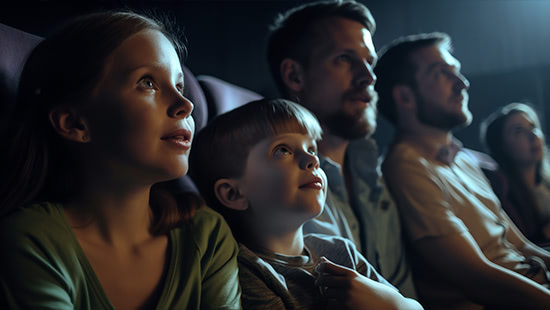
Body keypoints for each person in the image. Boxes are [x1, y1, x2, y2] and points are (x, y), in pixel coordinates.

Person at [0, 12, 241, 309]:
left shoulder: (206, 234)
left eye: (179, 86)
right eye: (147, 83)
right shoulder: (32, 241)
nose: (185, 105)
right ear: (75, 123)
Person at [189, 98, 422, 309]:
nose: (312, 160)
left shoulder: (341, 252)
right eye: (282, 150)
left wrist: (393, 303)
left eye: (311, 149)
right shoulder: (248, 272)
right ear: (233, 194)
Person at [374, 31, 550, 309]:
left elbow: (521, 244)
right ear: (405, 97)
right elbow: (478, 279)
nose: (462, 83)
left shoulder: (462, 158)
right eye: (442, 74)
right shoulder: (406, 167)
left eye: (456, 71)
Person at [266, 0, 417, 298]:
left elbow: (402, 286)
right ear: (295, 76)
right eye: (345, 59)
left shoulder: (370, 170)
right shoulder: (281, 186)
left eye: (369, 62)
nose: (369, 77)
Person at [481, 102, 550, 245]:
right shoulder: (502, 196)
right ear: (502, 146)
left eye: (533, 127)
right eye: (519, 131)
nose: (532, 135)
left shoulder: (546, 185)